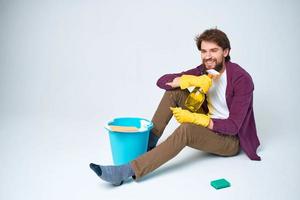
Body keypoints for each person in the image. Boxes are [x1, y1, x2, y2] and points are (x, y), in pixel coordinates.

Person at [90, 28, 261, 186]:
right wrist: (189, 80)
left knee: (186, 129)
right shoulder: (203, 70)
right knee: (174, 92)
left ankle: (127, 171)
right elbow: (162, 81)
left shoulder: (241, 80)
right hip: (209, 125)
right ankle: (148, 147)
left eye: (214, 50)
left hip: (229, 140)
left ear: (226, 52)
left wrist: (198, 119)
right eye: (204, 51)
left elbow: (233, 127)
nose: (208, 56)